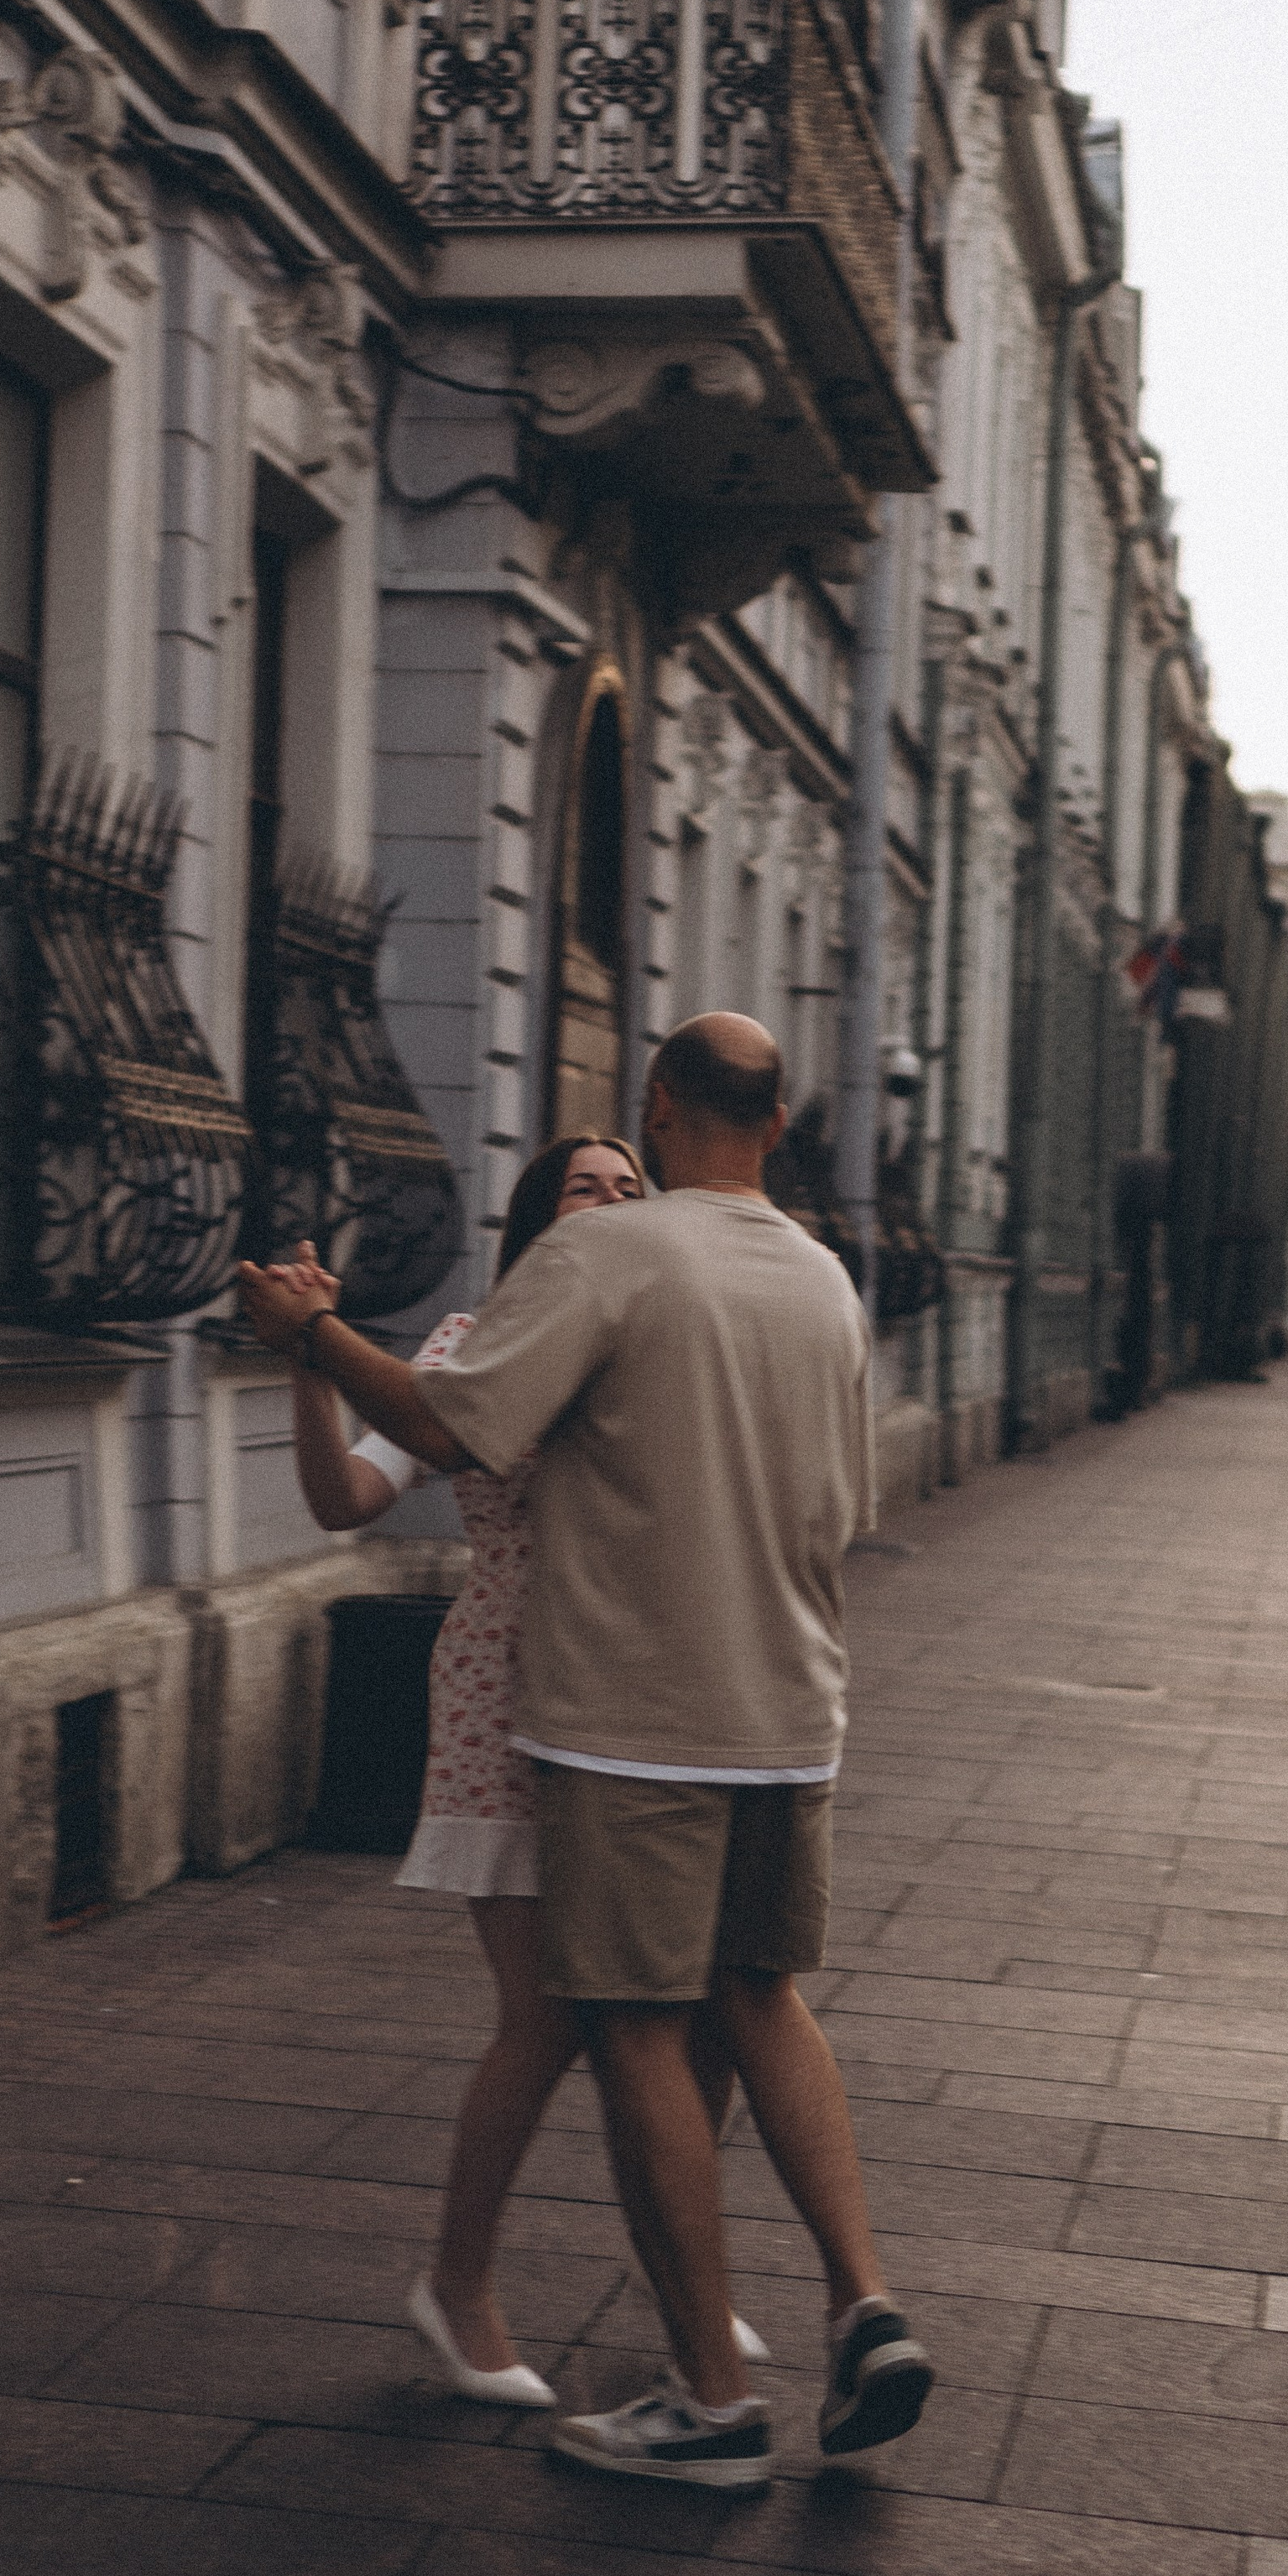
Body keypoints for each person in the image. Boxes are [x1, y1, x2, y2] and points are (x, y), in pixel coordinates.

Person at [237, 1014, 930, 2490]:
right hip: (791, 1710)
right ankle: (864, 2301)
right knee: (760, 1997)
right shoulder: (822, 1279)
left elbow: (449, 1423)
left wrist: (307, 1334)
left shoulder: (610, 1260)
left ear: (663, 1105)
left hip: (628, 1714)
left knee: (626, 2025)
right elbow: (846, 1504)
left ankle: (710, 2402)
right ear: (787, 1119)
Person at [269, 1134, 766, 2412]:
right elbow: (349, 1503)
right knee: (548, 2016)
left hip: (647, 1688)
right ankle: (461, 2286)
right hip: (509, 1685)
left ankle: (689, 2287)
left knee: (696, 2001)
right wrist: (308, 1362)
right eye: (587, 1187)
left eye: (630, 1187)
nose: (614, 1201)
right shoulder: (468, 1348)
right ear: (539, 1224)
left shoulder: (661, 1336)